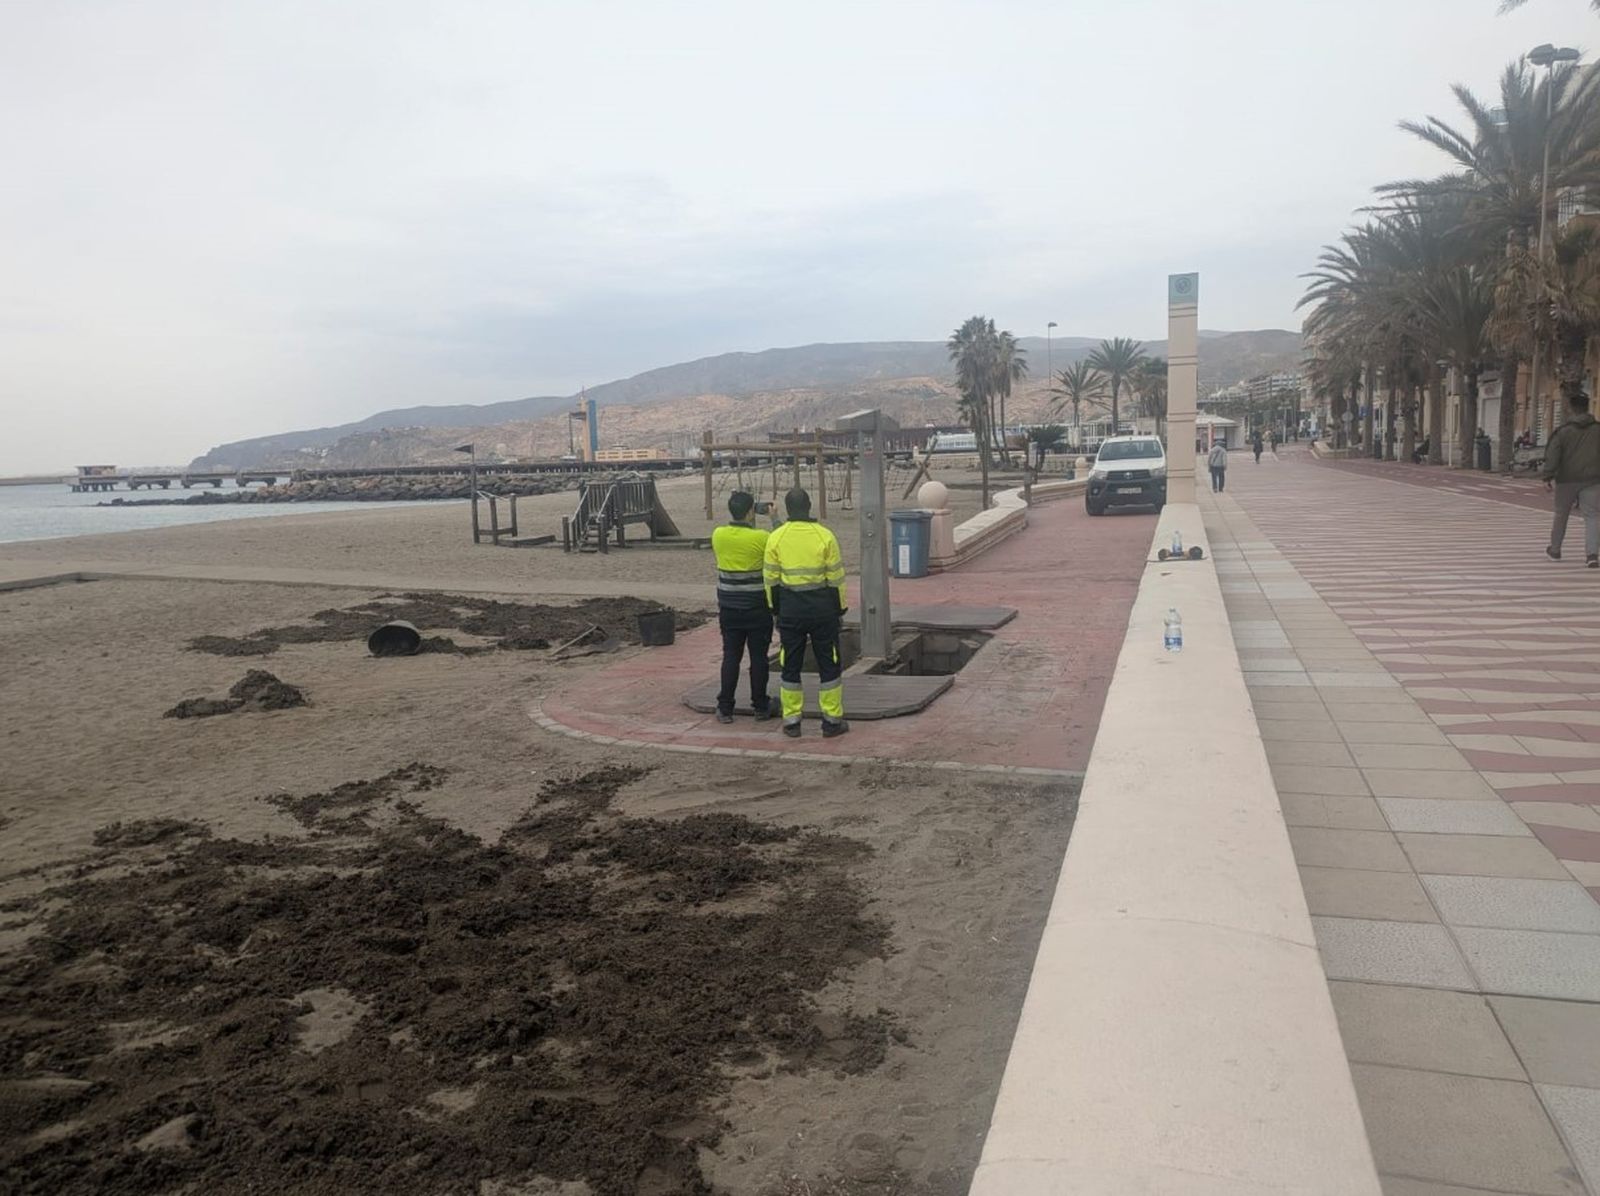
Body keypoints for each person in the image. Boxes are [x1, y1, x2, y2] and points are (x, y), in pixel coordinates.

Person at [764, 487, 848, 738]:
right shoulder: (825, 536)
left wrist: (775, 611)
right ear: (809, 506)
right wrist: (839, 610)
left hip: (790, 611)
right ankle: (832, 721)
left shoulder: (776, 537)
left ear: (787, 510)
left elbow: (771, 581)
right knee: (829, 665)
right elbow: (836, 580)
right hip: (823, 612)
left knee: (790, 665)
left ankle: (791, 721)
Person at [710, 490, 774, 723]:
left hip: (728, 606)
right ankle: (760, 706)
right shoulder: (761, 538)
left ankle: (725, 707)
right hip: (757, 607)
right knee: (759, 657)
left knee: (731, 656)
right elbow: (780, 542)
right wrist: (773, 516)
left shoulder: (718, 535)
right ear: (750, 512)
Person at [1542, 393, 1600, 565]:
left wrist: (1548, 476)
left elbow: (1553, 454)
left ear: (1570, 408)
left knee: (1561, 514)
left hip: (1566, 479)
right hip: (1593, 479)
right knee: (1592, 516)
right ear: (1587, 407)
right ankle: (1592, 555)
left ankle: (1555, 550)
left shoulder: (1563, 431)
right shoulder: (1598, 430)